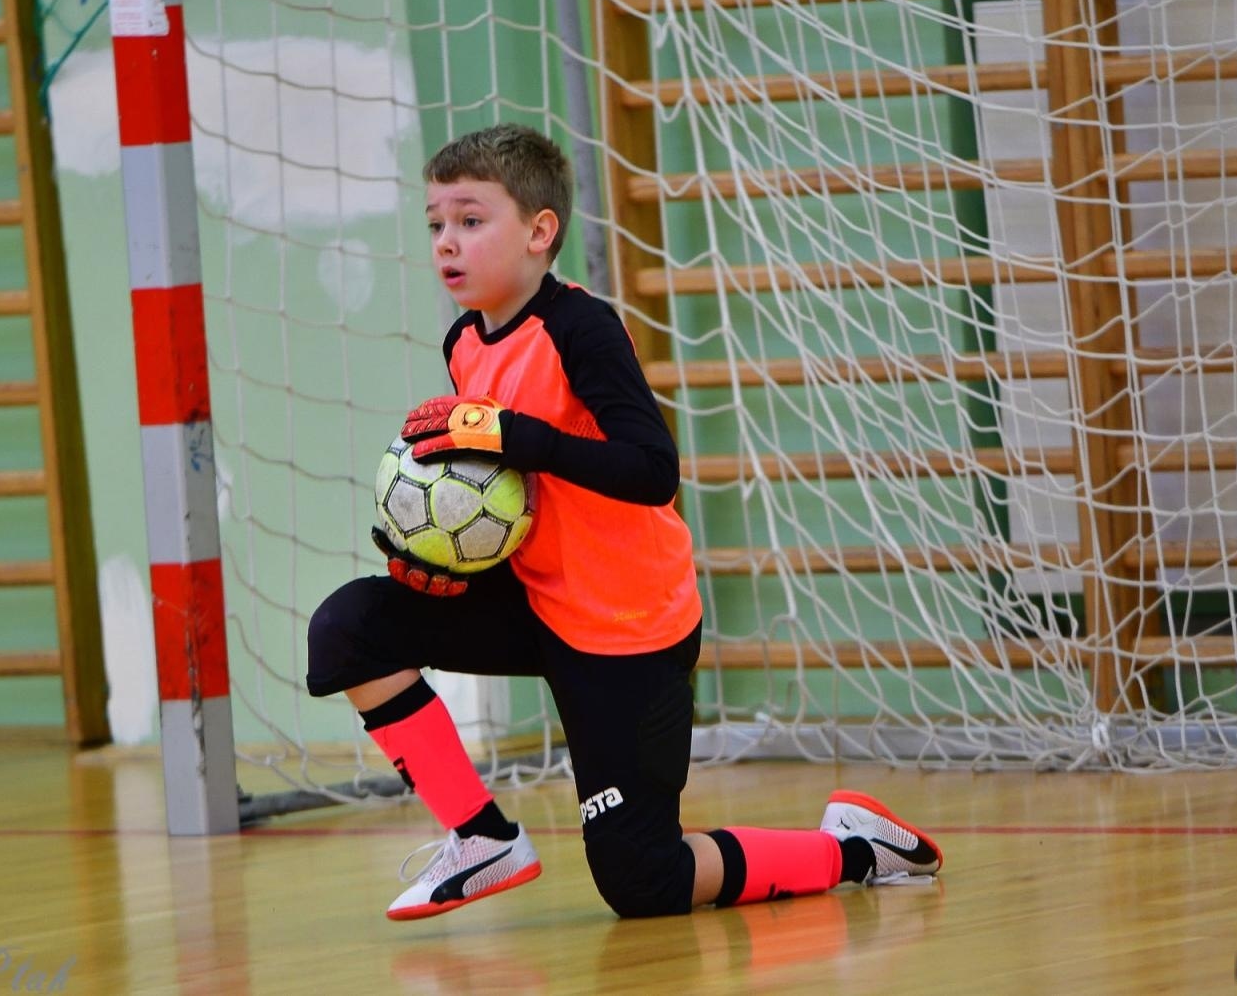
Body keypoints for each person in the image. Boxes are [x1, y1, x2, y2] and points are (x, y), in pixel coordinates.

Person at [305, 123, 943, 921]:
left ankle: (855, 848)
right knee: (349, 629)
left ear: (541, 232)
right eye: (436, 223)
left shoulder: (582, 328)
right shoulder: (464, 343)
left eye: (471, 220)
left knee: (644, 882)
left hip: (627, 629)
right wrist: (446, 564)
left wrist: (517, 436)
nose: (446, 243)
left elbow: (651, 471)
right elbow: (521, 502)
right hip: (535, 603)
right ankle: (481, 838)